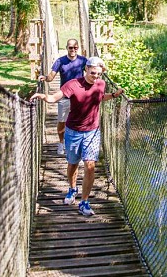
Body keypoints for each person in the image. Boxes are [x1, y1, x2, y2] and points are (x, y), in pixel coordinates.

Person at [31, 56, 124, 216]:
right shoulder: (73, 85)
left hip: (92, 132)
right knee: (73, 163)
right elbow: (54, 97)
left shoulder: (101, 83)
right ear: (86, 69)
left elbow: (100, 98)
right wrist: (43, 96)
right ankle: (72, 189)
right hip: (73, 131)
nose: (95, 76)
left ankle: (84, 202)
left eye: (99, 74)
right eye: (93, 72)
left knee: (90, 165)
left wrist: (114, 95)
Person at [39, 39, 87, 156]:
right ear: (67, 48)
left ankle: (77, 145)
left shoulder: (83, 60)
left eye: (75, 47)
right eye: (70, 47)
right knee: (62, 121)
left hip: (79, 97)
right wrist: (44, 78)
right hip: (64, 96)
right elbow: (51, 77)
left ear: (78, 48)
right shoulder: (60, 61)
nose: (73, 50)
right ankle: (61, 143)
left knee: (80, 122)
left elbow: (91, 72)